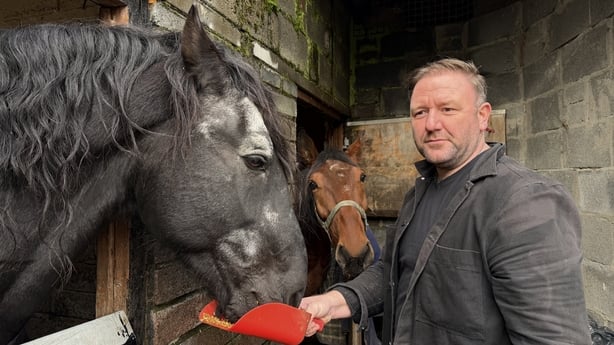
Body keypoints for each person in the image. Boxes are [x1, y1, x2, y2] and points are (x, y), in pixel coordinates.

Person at [299, 57, 591, 344]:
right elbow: (394, 271)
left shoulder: (525, 202)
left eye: (448, 109)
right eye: (420, 113)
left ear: (483, 116)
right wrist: (333, 301)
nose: (432, 124)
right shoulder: (420, 192)